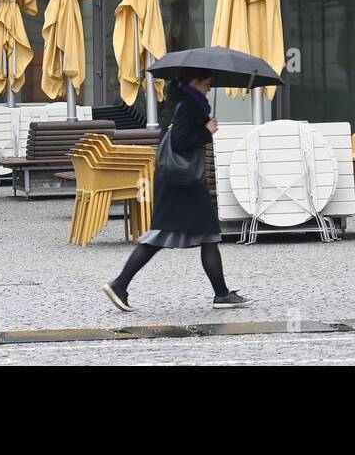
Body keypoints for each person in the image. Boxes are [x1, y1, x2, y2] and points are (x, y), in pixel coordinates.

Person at [103, 69, 249, 312]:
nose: (209, 88)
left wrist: (203, 127)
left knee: (204, 235)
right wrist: (207, 131)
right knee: (169, 236)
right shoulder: (190, 105)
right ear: (194, 80)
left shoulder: (184, 103)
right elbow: (181, 141)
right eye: (207, 83)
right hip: (183, 184)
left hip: (179, 182)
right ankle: (119, 284)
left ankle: (221, 293)